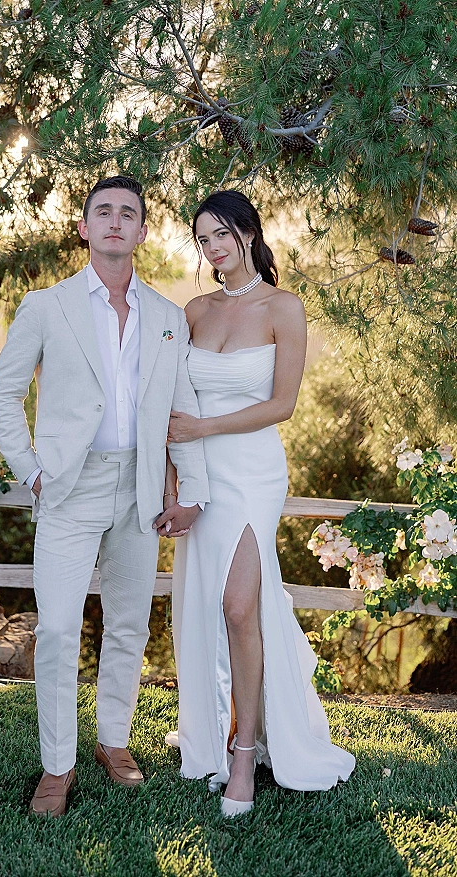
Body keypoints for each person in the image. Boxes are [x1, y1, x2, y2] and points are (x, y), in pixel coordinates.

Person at [0, 176, 209, 818]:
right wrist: (31, 471)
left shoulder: (167, 317)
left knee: (130, 623)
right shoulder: (45, 306)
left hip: (140, 485)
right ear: (84, 228)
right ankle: (57, 766)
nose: (115, 221)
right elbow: (4, 393)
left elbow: (181, 407)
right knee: (58, 629)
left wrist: (190, 487)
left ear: (142, 232)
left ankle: (113, 740)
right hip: (68, 486)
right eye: (103, 212)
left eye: (128, 214)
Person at [162, 190, 355, 817]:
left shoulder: (284, 307)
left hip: (252, 474)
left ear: (248, 232)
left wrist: (205, 428)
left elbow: (282, 405)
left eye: (222, 233)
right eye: (203, 239)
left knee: (240, 607)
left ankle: (246, 752)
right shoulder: (195, 311)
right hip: (200, 475)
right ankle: (219, 730)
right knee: (206, 607)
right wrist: (175, 485)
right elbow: (174, 404)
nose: (213, 247)